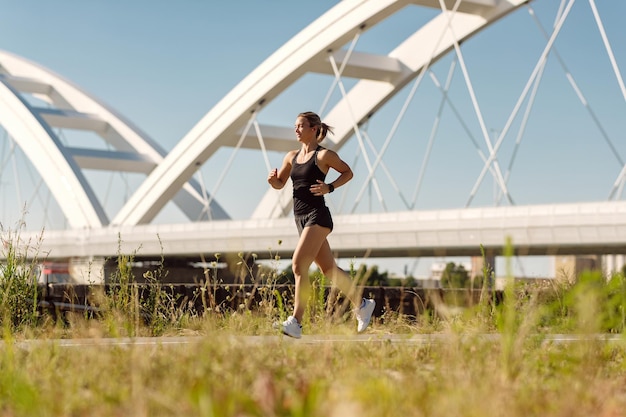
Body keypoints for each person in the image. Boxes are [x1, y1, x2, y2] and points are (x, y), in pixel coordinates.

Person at [267, 111, 376, 338]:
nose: (296, 130)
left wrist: (330, 187)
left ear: (314, 128)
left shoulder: (324, 155)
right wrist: (273, 181)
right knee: (329, 270)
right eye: (295, 126)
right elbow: (280, 184)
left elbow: (348, 172)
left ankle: (296, 322)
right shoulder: (291, 156)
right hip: (300, 218)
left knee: (298, 265)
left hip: (318, 216)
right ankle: (363, 304)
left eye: (300, 126)